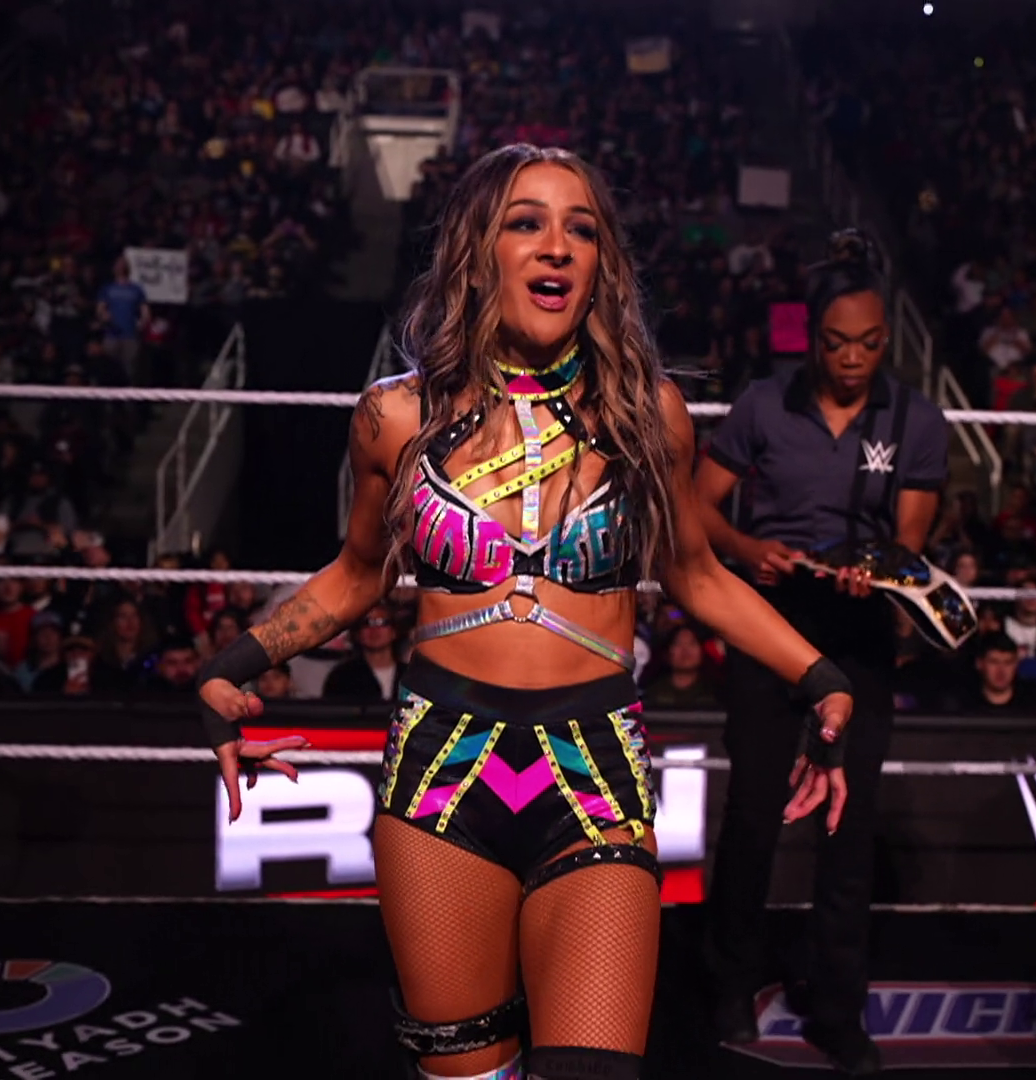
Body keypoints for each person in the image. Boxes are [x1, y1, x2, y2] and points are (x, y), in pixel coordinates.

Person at [192, 144, 855, 1080]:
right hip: (441, 769)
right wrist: (227, 668)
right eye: (526, 222)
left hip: (592, 767)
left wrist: (820, 676)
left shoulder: (649, 414)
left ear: (600, 263)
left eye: (581, 229)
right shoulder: (395, 416)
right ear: (480, 250)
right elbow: (355, 576)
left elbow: (699, 576)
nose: (557, 246)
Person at [695, 230, 950, 1077]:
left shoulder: (916, 420)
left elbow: (910, 543)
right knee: (753, 814)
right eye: (838, 342)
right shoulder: (762, 406)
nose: (852, 359)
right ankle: (729, 983)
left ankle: (840, 1010)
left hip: (860, 633)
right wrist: (748, 550)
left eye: (869, 343)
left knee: (850, 826)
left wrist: (876, 570)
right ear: (812, 336)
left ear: (887, 337)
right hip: (769, 624)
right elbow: (698, 508)